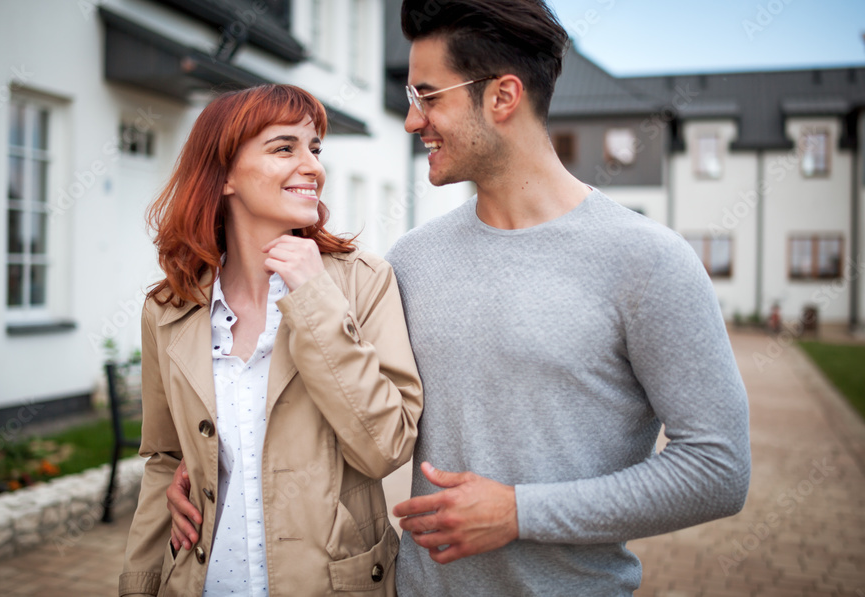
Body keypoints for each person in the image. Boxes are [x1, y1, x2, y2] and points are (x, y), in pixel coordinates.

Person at [169, 1, 751, 594]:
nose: (411, 121)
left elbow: (718, 470)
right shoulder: (409, 264)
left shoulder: (647, 261)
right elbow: (330, 408)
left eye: (428, 96)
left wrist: (519, 512)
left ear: (502, 97)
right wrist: (202, 470)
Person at [119, 84, 423, 597]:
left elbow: (385, 447)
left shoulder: (364, 281)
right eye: (285, 148)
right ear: (225, 175)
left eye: (315, 148)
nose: (313, 166)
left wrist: (314, 301)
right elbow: (166, 462)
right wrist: (139, 584)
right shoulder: (168, 309)